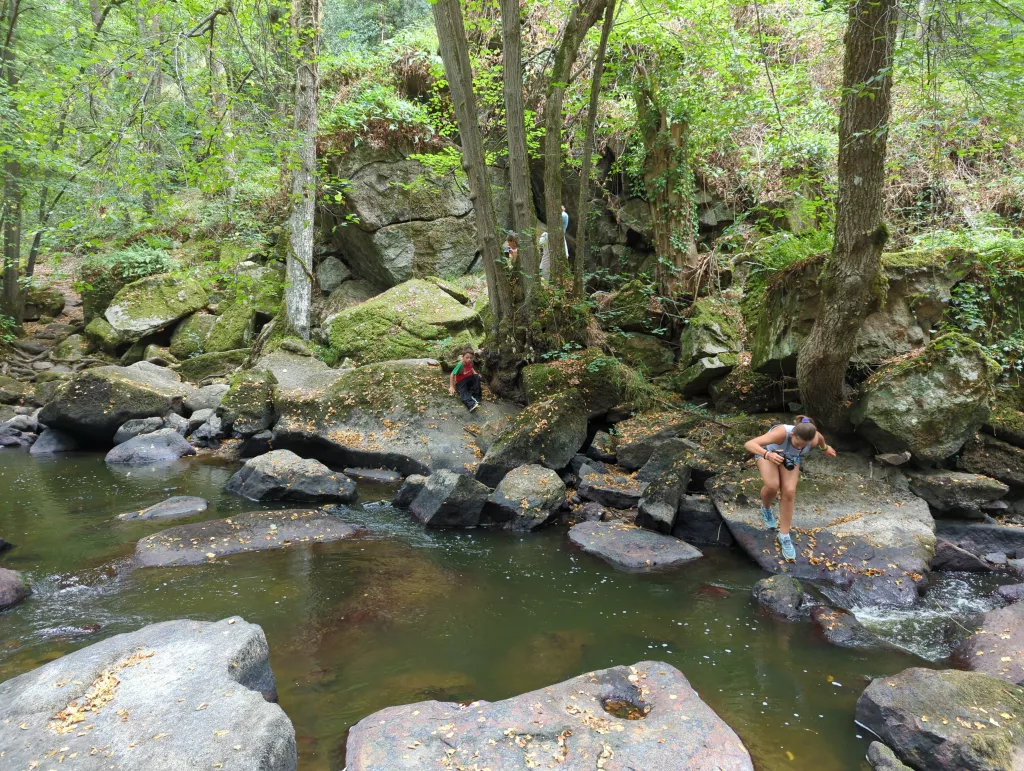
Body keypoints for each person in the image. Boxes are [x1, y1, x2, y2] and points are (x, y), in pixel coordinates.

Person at [743, 416, 836, 561]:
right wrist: (768, 455)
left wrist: (825, 448)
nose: (800, 447)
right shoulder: (781, 433)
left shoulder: (813, 438)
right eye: (798, 443)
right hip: (768, 452)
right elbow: (750, 444)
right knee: (772, 485)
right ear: (792, 435)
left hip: (791, 458)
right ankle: (766, 509)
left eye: (803, 446)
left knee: (789, 491)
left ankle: (784, 535)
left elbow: (820, 438)